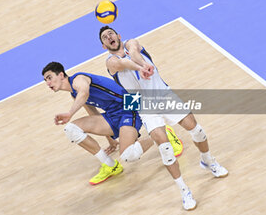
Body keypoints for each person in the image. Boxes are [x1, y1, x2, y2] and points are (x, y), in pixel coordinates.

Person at [99, 26, 229, 211]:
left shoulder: (132, 43)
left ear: (119, 36)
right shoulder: (111, 61)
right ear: (104, 46)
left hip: (163, 94)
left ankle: (207, 160)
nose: (109, 36)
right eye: (105, 37)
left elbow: (134, 53)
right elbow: (124, 64)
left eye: (111, 33)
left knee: (197, 130)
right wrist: (141, 67)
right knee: (165, 148)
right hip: (143, 105)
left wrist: (141, 64)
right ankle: (184, 191)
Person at [41, 62, 181, 185]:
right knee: (71, 129)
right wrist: (110, 140)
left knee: (128, 155)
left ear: (60, 75)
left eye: (49, 78)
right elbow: (93, 114)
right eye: (45, 80)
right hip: (112, 115)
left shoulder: (78, 79)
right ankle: (110, 166)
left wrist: (70, 114)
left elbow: (84, 92)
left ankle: (162, 135)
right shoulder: (73, 94)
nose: (48, 83)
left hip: (129, 105)